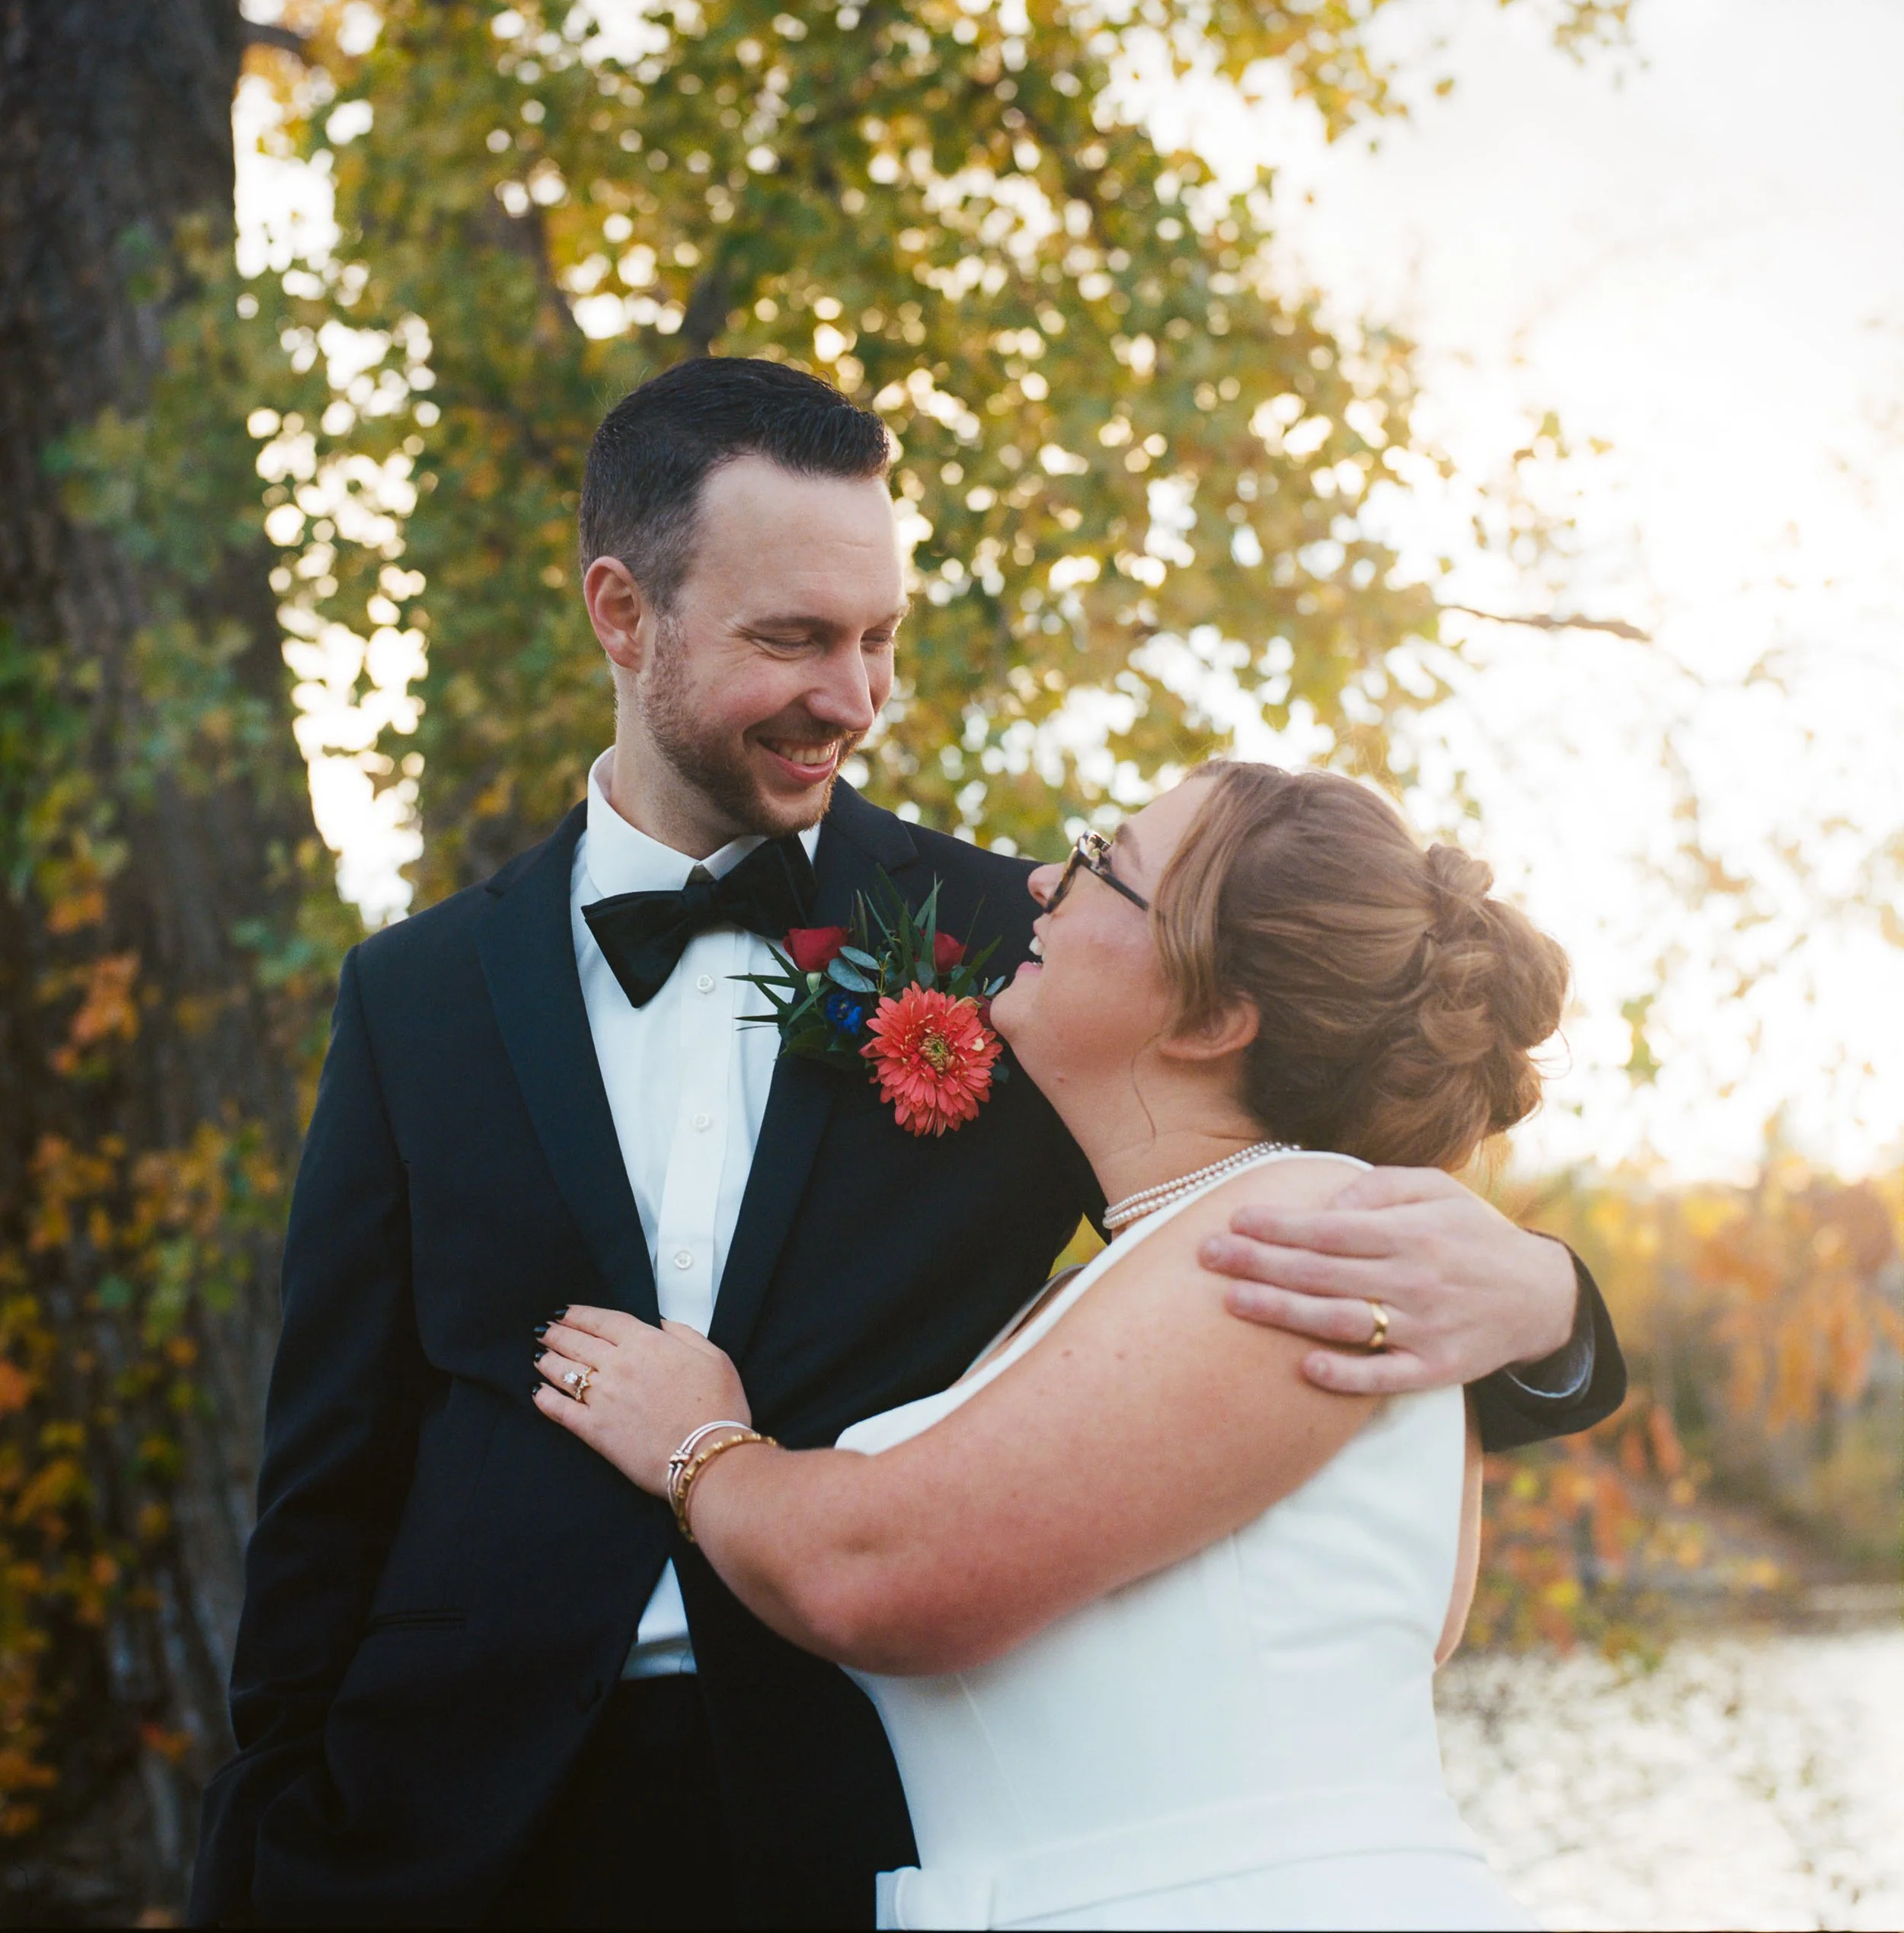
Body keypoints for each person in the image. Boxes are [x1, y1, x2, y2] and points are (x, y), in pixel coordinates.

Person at [190, 359, 1622, 1928]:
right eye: (792, 638)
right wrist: (261, 1860)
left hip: (846, 1817)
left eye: (877, 637)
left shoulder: (1036, 961)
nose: (854, 696)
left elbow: (1288, 1221)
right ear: (623, 613)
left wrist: (1549, 1312)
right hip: (442, 1835)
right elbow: (327, 1482)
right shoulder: (419, 996)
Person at [532, 760, 1564, 1930]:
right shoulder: (1141, 1273)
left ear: (1217, 1014)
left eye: (1101, 868)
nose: (1038, 880)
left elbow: (870, 1570)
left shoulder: (1300, 1243)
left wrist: (700, 1441)